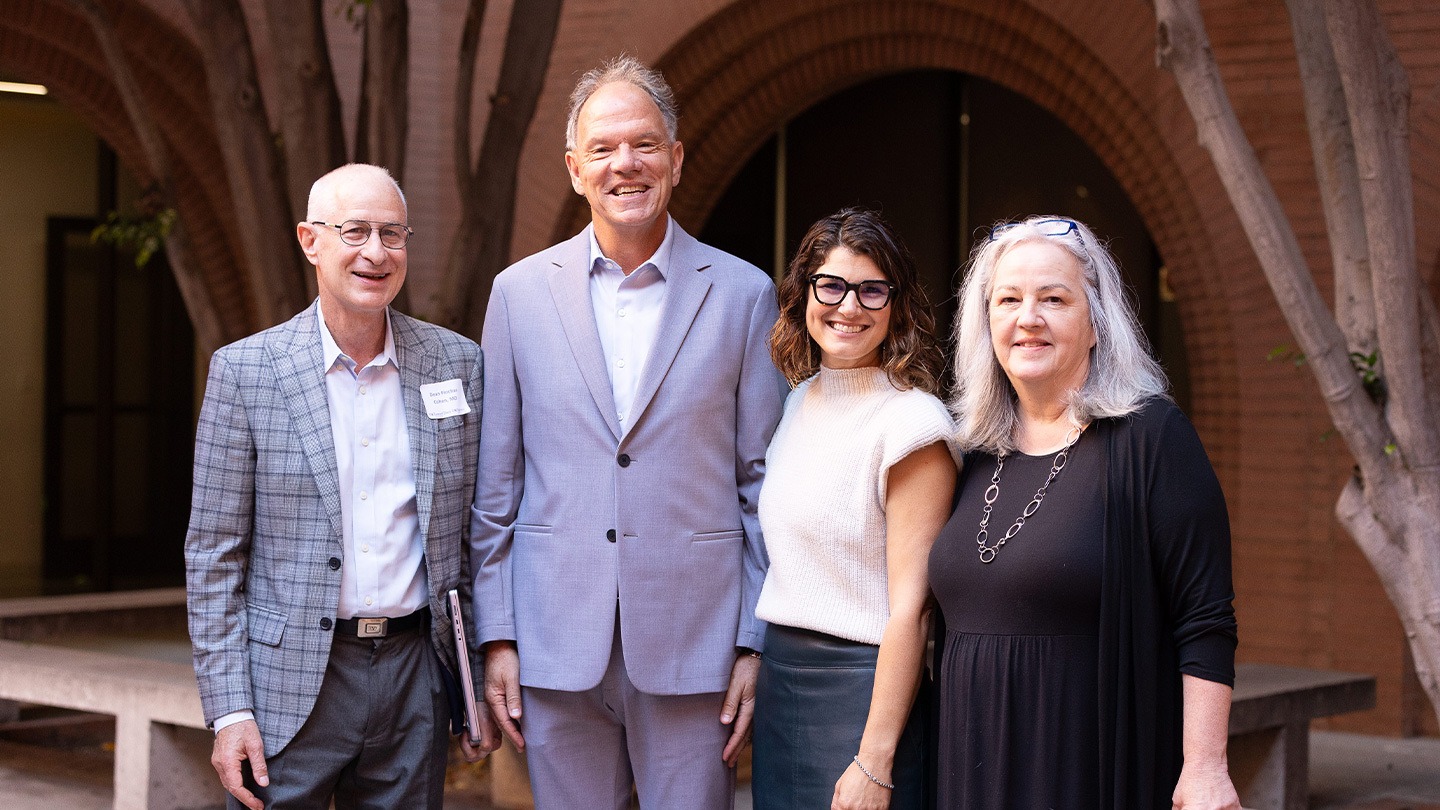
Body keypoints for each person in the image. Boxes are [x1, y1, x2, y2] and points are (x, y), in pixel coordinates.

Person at [468, 56, 788, 808]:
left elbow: (761, 486)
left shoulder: (744, 295)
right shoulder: (516, 297)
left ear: (675, 160)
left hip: (696, 647)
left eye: (645, 144)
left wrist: (753, 641)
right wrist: (499, 635)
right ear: (575, 169)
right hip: (553, 645)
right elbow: (497, 487)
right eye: (604, 149)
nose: (626, 164)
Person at [184, 163, 495, 810]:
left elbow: (477, 531)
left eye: (392, 233)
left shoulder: (457, 364)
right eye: (355, 231)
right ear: (310, 240)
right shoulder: (246, 374)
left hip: (417, 674)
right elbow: (213, 556)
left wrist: (477, 674)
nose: (375, 253)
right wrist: (228, 709)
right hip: (290, 679)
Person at [930, 215, 1240, 808]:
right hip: (970, 767)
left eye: (1054, 299)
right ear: (985, 321)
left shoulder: (1151, 440)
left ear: (1098, 322)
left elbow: (1204, 619)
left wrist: (1205, 766)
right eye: (1009, 300)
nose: (1029, 318)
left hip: (1088, 766)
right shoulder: (969, 449)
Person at [750, 208, 957, 810]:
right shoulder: (796, 403)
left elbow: (912, 611)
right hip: (783, 682)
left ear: (896, 306)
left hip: (863, 695)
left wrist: (876, 758)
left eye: (872, 290)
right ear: (804, 294)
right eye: (832, 286)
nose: (849, 307)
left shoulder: (912, 423)